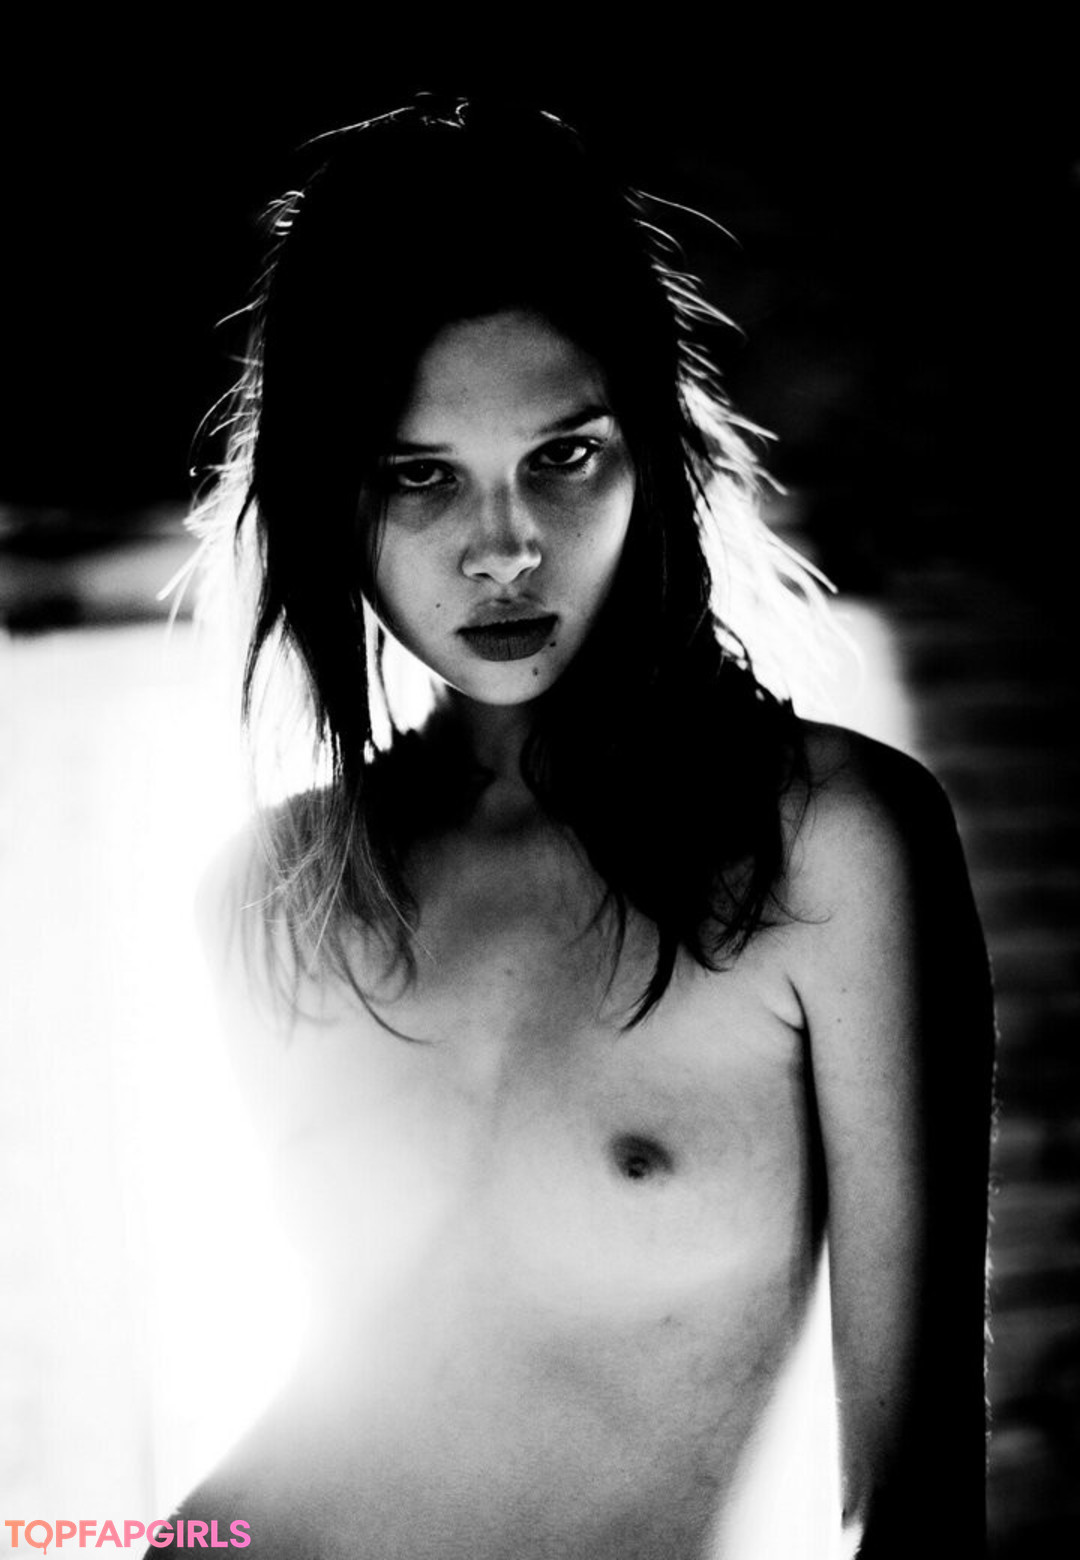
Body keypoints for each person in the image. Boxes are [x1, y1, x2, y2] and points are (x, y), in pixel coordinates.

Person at [160, 97, 995, 1559]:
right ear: (326, 497)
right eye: (420, 474)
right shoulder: (276, 892)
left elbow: (918, 1501)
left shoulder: (830, 846)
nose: (505, 548)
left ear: (651, 459)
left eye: (563, 457)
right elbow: (381, 1380)